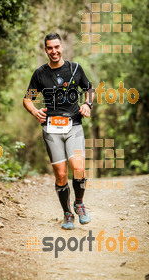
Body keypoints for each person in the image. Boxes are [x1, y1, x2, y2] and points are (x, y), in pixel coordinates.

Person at [23, 33, 95, 230]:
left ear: (62, 47)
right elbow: (27, 99)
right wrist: (34, 111)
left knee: (78, 168)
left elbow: (89, 89)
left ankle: (79, 203)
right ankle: (67, 214)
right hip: (51, 129)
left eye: (56, 47)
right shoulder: (40, 74)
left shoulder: (75, 68)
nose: (53, 51)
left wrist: (87, 104)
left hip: (74, 126)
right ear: (45, 50)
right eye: (49, 48)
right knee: (61, 175)